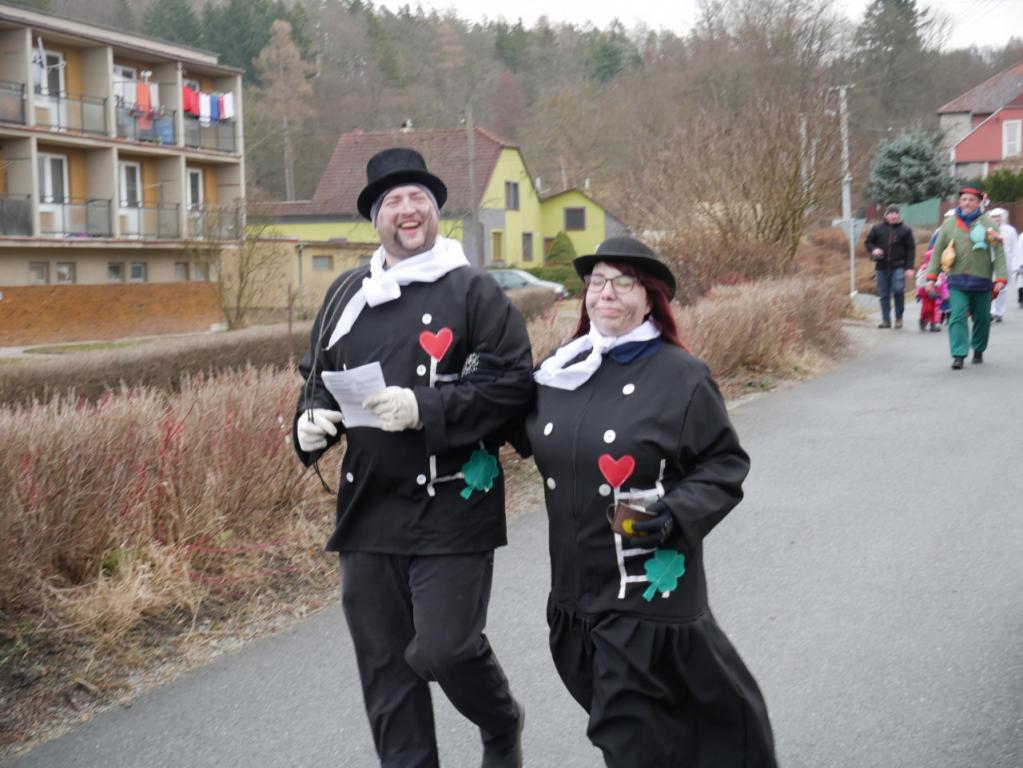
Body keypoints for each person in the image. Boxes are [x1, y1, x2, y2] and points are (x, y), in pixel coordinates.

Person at [292, 147, 532, 768]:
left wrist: (425, 407)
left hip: (455, 503)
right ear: (375, 217)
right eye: (393, 200)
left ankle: (500, 720)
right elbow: (318, 378)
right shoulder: (347, 293)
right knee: (386, 671)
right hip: (369, 507)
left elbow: (512, 386)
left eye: (418, 198)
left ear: (435, 211)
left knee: (446, 649)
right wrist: (309, 421)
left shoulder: (474, 289)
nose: (407, 209)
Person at [521, 237, 777, 767]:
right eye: (597, 282)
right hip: (573, 592)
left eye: (624, 282)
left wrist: (674, 512)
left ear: (650, 297)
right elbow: (507, 423)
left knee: (629, 737)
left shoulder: (680, 376)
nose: (606, 293)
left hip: (645, 597)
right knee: (652, 734)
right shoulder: (559, 369)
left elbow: (723, 465)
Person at [924, 187, 1008, 369]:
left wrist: (1001, 278)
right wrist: (931, 277)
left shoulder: (989, 224)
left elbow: (999, 252)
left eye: (971, 200)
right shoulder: (949, 224)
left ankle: (978, 348)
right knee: (957, 315)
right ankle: (959, 354)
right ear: (959, 202)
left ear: (978, 203)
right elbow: (937, 252)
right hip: (957, 281)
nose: (967, 203)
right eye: (964, 200)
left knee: (982, 318)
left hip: (982, 280)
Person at [864, 204, 916, 329]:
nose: (894, 216)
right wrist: (874, 249)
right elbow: (868, 242)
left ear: (899, 215)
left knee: (898, 290)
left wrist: (909, 268)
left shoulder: (905, 230)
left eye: (896, 213)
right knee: (884, 294)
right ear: (886, 216)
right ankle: (886, 320)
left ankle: (899, 317)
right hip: (881, 266)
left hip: (898, 266)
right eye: (891, 213)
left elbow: (910, 250)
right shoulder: (877, 228)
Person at [988, 208, 1019, 323]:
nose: (996, 219)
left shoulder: (1010, 230)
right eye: (994, 216)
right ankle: (991, 310)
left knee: (1002, 288)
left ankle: (999, 312)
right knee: (990, 286)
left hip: (1006, 261)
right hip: (990, 262)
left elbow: (1015, 248)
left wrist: (1016, 265)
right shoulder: (988, 230)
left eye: (998, 216)